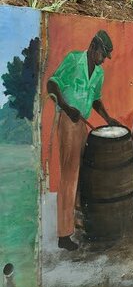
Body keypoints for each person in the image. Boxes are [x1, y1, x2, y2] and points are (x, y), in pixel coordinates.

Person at [46, 30, 118, 251]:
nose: (103, 59)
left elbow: (95, 100)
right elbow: (52, 84)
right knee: (69, 175)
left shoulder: (98, 73)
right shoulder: (73, 59)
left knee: (84, 171)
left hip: (82, 122)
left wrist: (108, 118)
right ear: (93, 46)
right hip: (68, 121)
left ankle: (78, 222)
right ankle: (64, 235)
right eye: (102, 54)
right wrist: (67, 108)